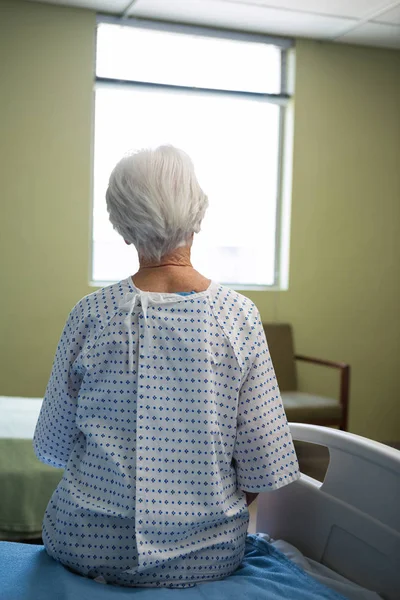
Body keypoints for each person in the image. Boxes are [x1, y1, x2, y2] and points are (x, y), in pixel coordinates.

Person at [34, 145, 300, 588]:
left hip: (85, 545)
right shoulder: (238, 317)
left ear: (122, 228)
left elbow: (53, 446)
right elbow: (262, 464)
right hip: (210, 556)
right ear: (197, 217)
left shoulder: (90, 314)